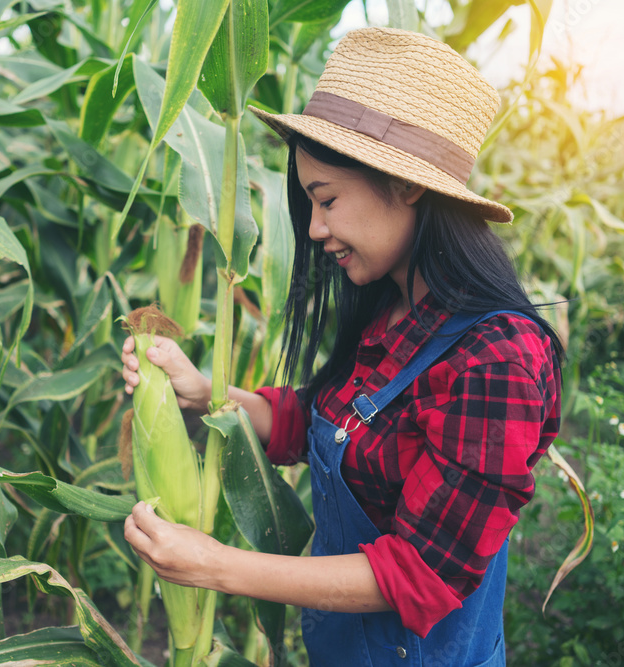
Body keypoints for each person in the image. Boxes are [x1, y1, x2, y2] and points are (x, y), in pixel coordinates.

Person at [121, 27, 564, 666]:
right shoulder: (392, 308)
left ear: (406, 186)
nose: (315, 228)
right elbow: (322, 424)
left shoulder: (498, 359)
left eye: (325, 200)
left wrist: (219, 565)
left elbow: (423, 573)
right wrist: (201, 395)